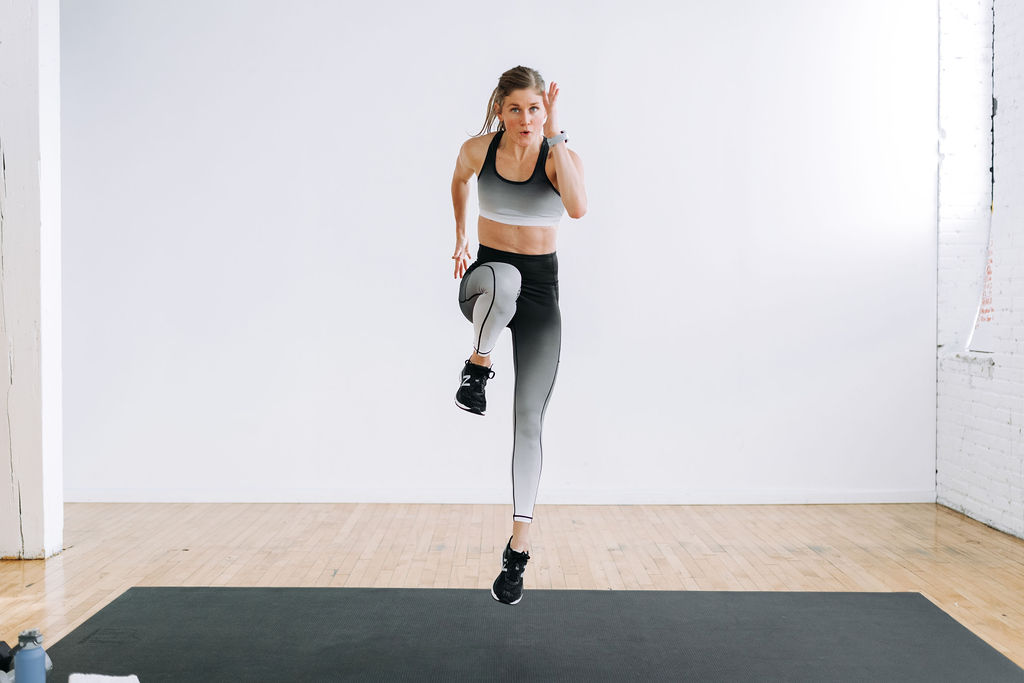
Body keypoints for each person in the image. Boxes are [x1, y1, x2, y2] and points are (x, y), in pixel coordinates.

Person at [450, 65, 587, 605]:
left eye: (535, 108)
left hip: (540, 297)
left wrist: (557, 134)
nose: (526, 119)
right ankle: (477, 366)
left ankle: (518, 548)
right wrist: (461, 237)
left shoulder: (559, 156)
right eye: (516, 109)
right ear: (500, 111)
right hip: (485, 284)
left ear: (545, 111)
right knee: (504, 277)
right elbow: (458, 179)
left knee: (530, 419)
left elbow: (577, 208)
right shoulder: (477, 151)